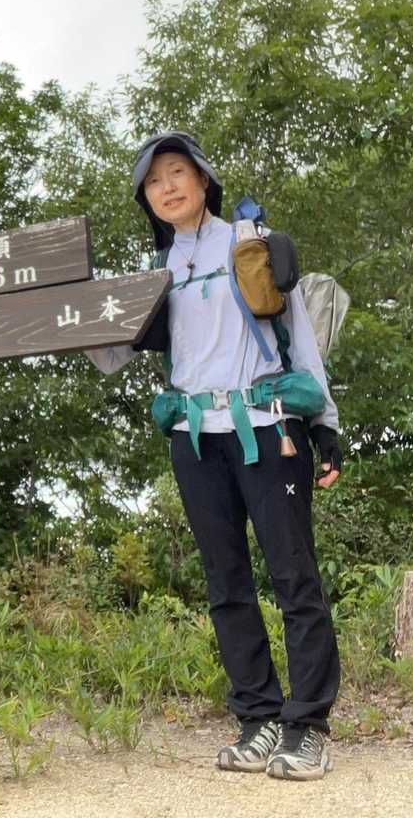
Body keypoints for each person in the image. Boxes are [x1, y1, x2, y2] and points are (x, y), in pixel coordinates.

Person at [86, 132, 345, 781]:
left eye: (178, 172)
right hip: (196, 436)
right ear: (146, 200)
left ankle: (307, 726)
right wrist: (67, 305)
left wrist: (325, 424)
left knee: (294, 577)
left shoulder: (250, 244)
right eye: (154, 181)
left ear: (203, 180)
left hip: (268, 426)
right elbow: (107, 353)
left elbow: (300, 337)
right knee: (226, 583)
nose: (167, 187)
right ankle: (258, 718)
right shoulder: (157, 275)